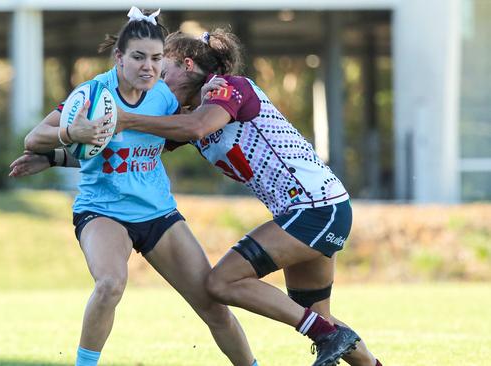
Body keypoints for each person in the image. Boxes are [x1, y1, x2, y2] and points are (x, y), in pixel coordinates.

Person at [114, 29, 383, 366]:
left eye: (163, 71)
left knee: (221, 282)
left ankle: (328, 335)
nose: (157, 80)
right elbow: (136, 145)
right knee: (321, 320)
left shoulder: (228, 88)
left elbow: (197, 128)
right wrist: (58, 151)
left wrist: (125, 117)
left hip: (316, 207)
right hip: (305, 211)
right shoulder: (189, 112)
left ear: (187, 64)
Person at [11, 9, 259, 366]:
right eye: (139, 57)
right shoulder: (93, 93)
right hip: (103, 211)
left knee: (213, 307)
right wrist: (68, 135)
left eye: (157, 59)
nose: (149, 67)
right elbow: (34, 137)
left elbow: (124, 150)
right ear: (119, 57)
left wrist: (205, 95)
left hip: (158, 213)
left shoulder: (165, 97)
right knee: (110, 283)